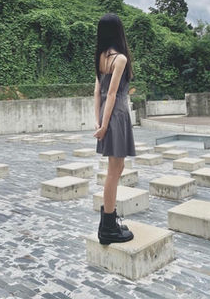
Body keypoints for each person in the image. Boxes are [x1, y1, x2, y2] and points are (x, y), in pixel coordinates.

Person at [93, 13, 136, 245]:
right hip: (117, 115)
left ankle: (109, 221)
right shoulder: (120, 59)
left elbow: (97, 92)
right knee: (114, 170)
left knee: (116, 169)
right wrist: (105, 125)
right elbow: (111, 94)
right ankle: (108, 226)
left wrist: (98, 121)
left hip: (107, 115)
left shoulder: (101, 57)